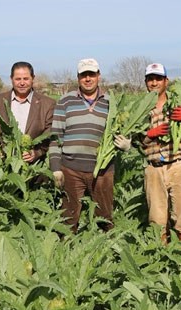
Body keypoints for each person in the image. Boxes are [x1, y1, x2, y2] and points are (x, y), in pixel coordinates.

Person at [49, 58, 129, 233]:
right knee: (68, 218)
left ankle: (107, 251)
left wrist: (126, 145)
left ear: (98, 76)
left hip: (103, 170)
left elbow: (122, 132)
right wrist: (55, 167)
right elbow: (56, 138)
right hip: (70, 168)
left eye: (91, 74)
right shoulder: (65, 101)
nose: (88, 78)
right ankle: (65, 253)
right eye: (83, 75)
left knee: (104, 216)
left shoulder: (111, 103)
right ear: (78, 77)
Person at [140, 63, 181, 244]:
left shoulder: (178, 104)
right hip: (154, 168)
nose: (154, 83)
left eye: (158, 79)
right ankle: (161, 258)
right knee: (156, 217)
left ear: (166, 81)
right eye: (150, 79)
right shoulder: (141, 109)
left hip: (179, 164)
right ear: (145, 82)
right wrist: (148, 135)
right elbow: (135, 142)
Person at [0, 61, 55, 163]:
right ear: (11, 79)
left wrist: (36, 152)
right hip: (2, 164)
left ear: (32, 78)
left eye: (26, 79)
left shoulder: (48, 104)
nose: (22, 83)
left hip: (32, 168)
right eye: (18, 79)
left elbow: (50, 132)